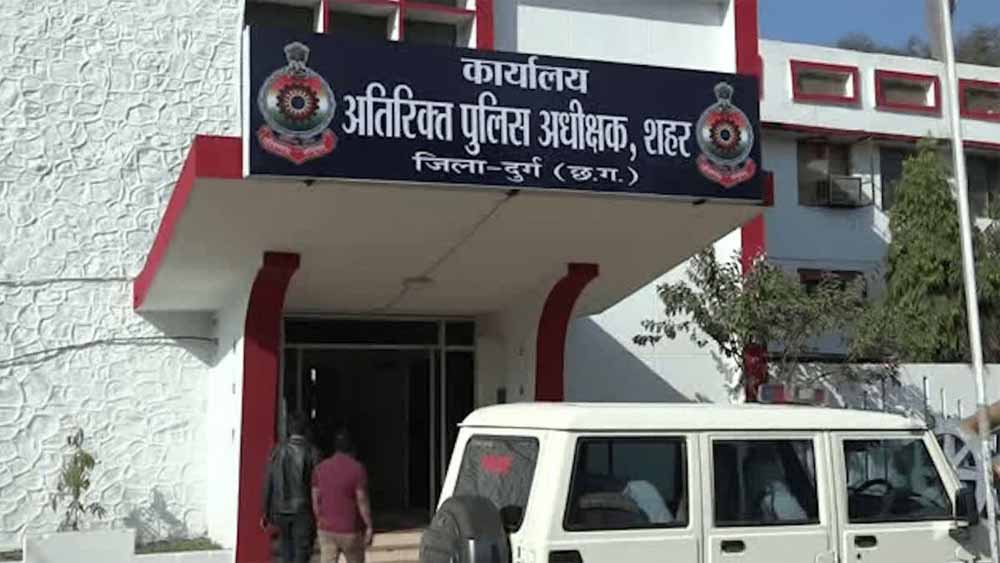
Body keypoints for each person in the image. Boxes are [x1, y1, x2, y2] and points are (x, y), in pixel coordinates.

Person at [262, 413, 322, 563]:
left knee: (286, 550)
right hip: (303, 509)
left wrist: (265, 511)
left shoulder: (277, 451)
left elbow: (268, 482)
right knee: (301, 552)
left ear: (289, 429)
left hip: (280, 509)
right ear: (306, 430)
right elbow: (319, 485)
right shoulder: (312, 452)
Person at [312, 430, 374, 563]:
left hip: (326, 529)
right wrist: (369, 525)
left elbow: (315, 499)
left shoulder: (320, 468)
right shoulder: (357, 469)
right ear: (352, 448)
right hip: (351, 529)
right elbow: (362, 500)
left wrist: (319, 519)